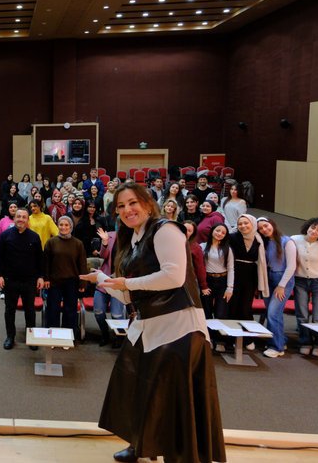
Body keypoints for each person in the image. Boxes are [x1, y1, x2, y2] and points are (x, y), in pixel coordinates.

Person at [79, 182, 225, 463]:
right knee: (135, 387)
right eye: (121, 206)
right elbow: (128, 295)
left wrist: (126, 283)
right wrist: (101, 280)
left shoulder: (165, 229)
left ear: (147, 203)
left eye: (132, 202)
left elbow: (174, 277)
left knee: (174, 401)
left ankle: (180, 456)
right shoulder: (134, 239)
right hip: (148, 326)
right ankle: (141, 443)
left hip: (179, 328)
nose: (127, 210)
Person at [0, 208, 45, 350]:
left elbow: (40, 259)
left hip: (29, 280)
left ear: (28, 220)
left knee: (30, 310)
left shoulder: (34, 237)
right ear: (14, 218)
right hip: (10, 280)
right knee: (10, 310)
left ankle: (31, 338)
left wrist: (41, 276)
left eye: (24, 217)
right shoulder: (5, 236)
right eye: (18, 216)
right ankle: (10, 336)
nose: (21, 219)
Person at [291, 217, 318, 357]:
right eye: (313, 227)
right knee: (302, 314)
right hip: (300, 281)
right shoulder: (295, 239)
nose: (314, 231)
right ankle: (305, 342)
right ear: (308, 226)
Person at [256, 217, 296, 358]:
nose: (264, 229)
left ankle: (276, 347)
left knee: (273, 313)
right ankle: (280, 340)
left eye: (266, 226)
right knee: (274, 313)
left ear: (272, 224)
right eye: (260, 228)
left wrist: (281, 286)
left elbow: (291, 266)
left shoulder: (287, 241)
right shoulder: (265, 242)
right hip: (269, 278)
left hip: (283, 279)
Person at [228, 214, 269, 350]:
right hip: (234, 274)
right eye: (240, 224)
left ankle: (248, 338)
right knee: (233, 307)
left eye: (246, 223)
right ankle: (232, 338)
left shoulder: (259, 239)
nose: (243, 226)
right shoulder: (232, 237)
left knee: (246, 308)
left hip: (250, 276)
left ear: (252, 224)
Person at [43, 216, 88, 335]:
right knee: (53, 309)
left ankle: (68, 335)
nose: (63, 227)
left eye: (66, 225)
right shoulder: (51, 242)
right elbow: (46, 263)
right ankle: (52, 335)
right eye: (61, 225)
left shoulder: (78, 244)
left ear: (71, 227)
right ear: (57, 226)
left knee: (70, 310)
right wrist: (46, 278)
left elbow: (82, 264)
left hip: (72, 282)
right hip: (54, 281)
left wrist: (83, 282)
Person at [201, 224, 234, 352]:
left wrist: (230, 287)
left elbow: (231, 268)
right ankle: (208, 338)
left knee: (221, 312)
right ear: (212, 231)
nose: (219, 233)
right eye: (218, 230)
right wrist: (202, 284)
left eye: (223, 232)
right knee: (207, 311)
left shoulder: (227, 249)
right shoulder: (203, 246)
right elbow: (199, 267)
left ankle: (220, 340)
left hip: (222, 281)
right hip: (207, 281)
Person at [94, 228, 126, 347]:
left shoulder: (133, 238)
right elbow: (103, 255)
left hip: (119, 282)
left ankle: (120, 337)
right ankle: (105, 334)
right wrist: (105, 242)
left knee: (116, 314)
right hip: (105, 279)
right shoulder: (110, 235)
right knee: (98, 311)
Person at [183, 221, 211, 318]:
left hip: (189, 281)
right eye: (184, 229)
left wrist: (203, 286)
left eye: (189, 230)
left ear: (192, 233)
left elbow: (200, 267)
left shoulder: (195, 247)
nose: (185, 232)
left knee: (190, 310)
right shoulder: (172, 243)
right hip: (174, 280)